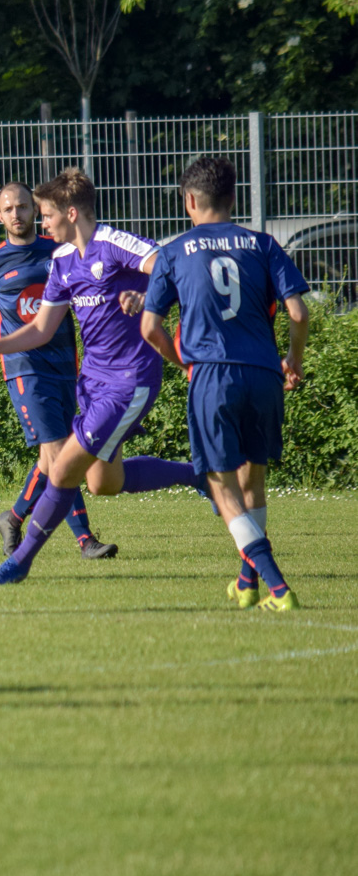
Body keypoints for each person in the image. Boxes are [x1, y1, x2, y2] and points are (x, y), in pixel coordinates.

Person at [0, 168, 207, 585]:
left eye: (47, 215)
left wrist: (149, 296)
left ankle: (18, 564)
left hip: (129, 381)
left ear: (71, 213)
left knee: (62, 470)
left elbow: (177, 269)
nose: (43, 224)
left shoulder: (114, 244)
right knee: (104, 482)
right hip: (91, 383)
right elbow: (41, 329)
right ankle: (197, 474)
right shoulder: (62, 260)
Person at [140, 157, 310, 611]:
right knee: (253, 480)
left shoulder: (175, 251)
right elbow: (298, 313)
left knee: (221, 485)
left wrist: (182, 363)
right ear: (233, 199)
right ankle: (247, 583)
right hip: (265, 374)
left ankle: (277, 586)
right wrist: (292, 360)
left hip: (213, 374)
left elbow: (150, 328)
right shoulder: (263, 244)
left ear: (189, 201)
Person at [0, 181, 117, 560]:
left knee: (50, 456)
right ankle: (85, 540)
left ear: (34, 210)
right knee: (62, 454)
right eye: (9, 209)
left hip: (65, 365)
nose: (17, 214)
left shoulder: (58, 249)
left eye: (23, 206)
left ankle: (12, 518)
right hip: (24, 368)